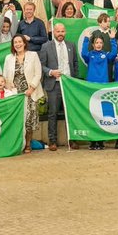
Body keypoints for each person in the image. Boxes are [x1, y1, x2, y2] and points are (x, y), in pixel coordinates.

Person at [39, 22, 78, 150]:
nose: (60, 34)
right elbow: (42, 66)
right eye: (58, 31)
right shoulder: (46, 47)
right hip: (53, 84)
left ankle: (72, 140)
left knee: (70, 113)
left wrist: (74, 81)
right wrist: (51, 72)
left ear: (65, 32)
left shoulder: (71, 45)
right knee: (53, 113)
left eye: (62, 31)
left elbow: (75, 64)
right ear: (53, 32)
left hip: (68, 85)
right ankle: (53, 141)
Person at [4, 34, 44, 152]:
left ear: (24, 43)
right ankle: (17, 144)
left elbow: (38, 74)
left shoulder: (33, 55)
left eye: (20, 42)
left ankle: (28, 144)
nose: (18, 44)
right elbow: (5, 75)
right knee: (17, 119)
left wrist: (31, 89)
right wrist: (8, 85)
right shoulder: (8, 58)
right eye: (15, 42)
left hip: (30, 93)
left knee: (29, 120)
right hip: (15, 95)